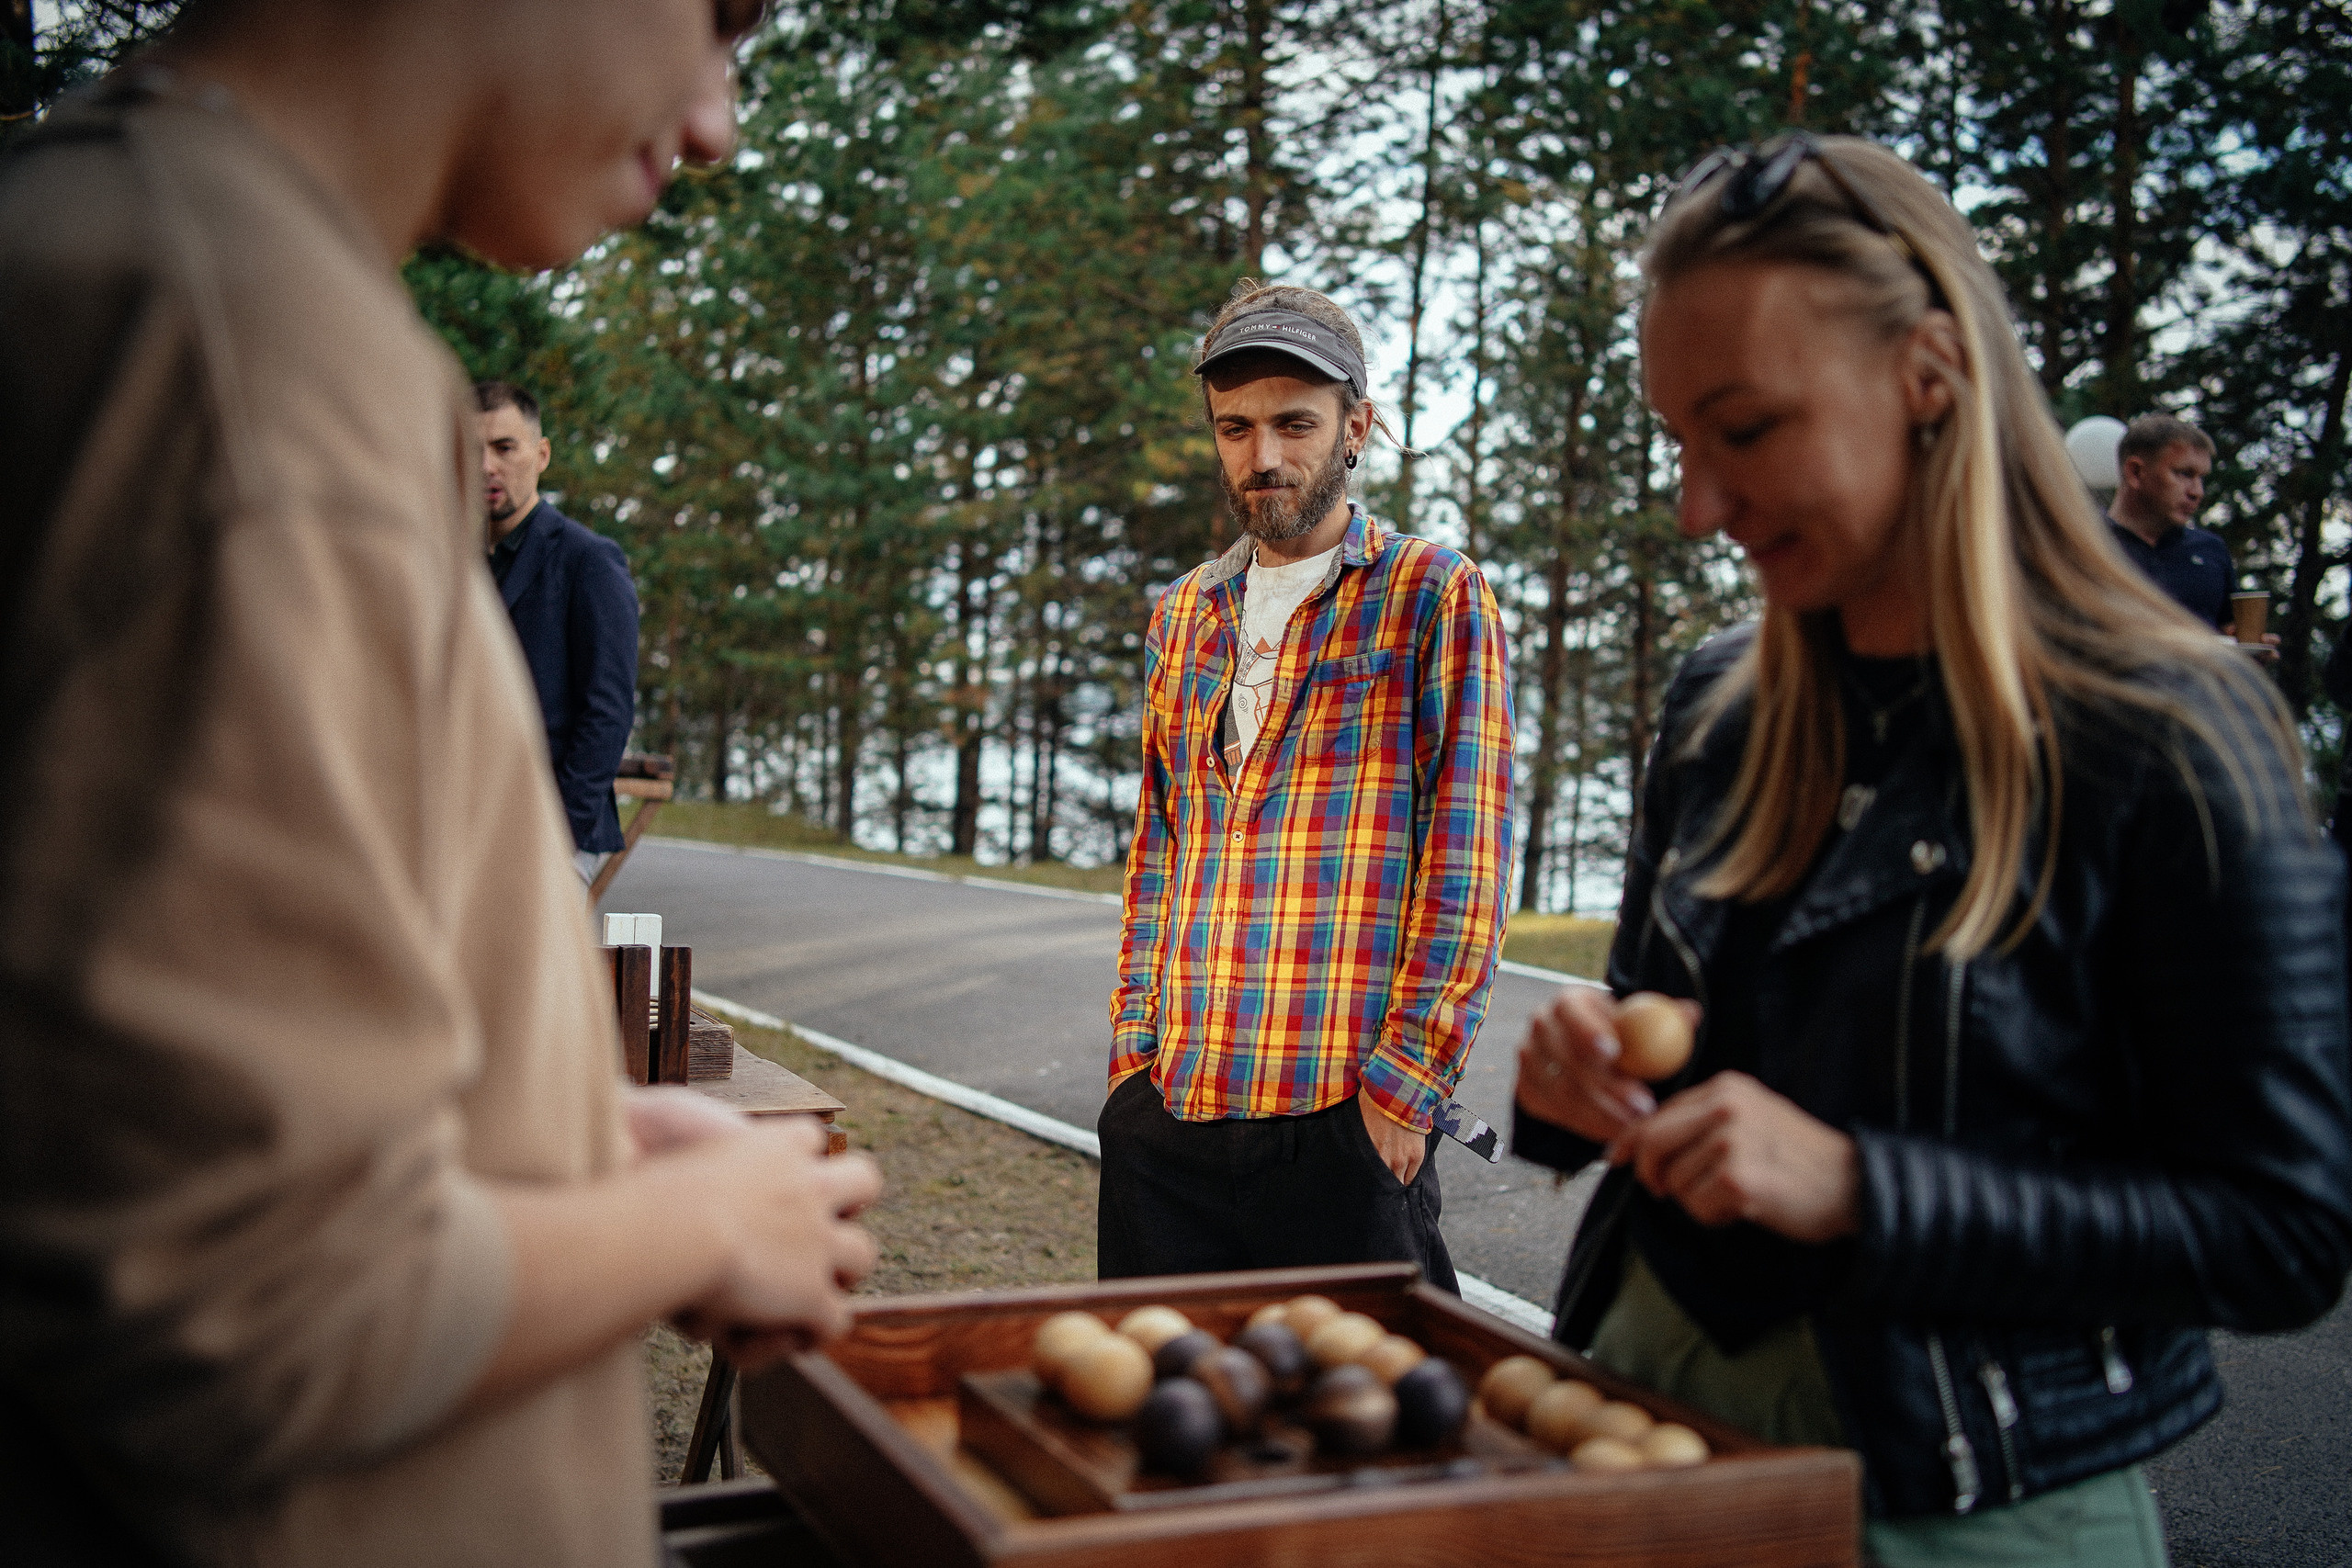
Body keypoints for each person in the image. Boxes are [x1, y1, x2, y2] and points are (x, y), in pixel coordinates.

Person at [0, 4, 882, 1566]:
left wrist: (570, 1143)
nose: (715, 121)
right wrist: (702, 1220)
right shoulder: (242, 354)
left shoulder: (122, 252)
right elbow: (245, 1306)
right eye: (719, 16)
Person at [1510, 132, 2352, 1566]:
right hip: (1626, 1431)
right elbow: (1655, 1031)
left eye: (1745, 429)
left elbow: (2282, 1231)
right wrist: (1569, 1083)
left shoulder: (2172, 733)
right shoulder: (1718, 702)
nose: (1697, 506)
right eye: (1678, 442)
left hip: (1964, 1511)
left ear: (1931, 373)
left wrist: (1864, 1186)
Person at [1098, 281, 1514, 1290]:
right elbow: (1159, 850)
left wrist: (1403, 1091)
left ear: (1355, 428)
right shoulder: (1183, 614)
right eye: (1234, 428)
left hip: (1341, 1121)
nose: (1264, 457)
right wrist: (1132, 1064)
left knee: (1368, 1395)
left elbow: (1467, 864)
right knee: (1162, 1392)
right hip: (1173, 1119)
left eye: (1295, 424)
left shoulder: (1432, 594)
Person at [478, 379, 640, 884]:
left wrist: (558, 834)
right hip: (464, 835)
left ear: (542, 454)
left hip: (550, 836)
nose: (486, 466)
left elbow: (608, 711)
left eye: (504, 448)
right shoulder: (449, 564)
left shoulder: (588, 560)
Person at [2107, 414, 2229, 630]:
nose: (2197, 492)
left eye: (2201, 478)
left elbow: (2230, 631)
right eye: (2185, 474)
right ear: (2136, 472)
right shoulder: (2083, 546)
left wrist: (2246, 644)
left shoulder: (2211, 551)